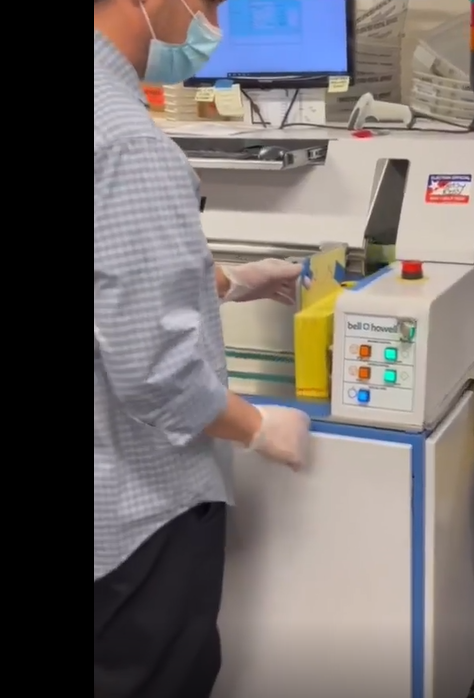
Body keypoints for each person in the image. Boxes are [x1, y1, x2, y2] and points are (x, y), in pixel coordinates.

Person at [94, 1, 313, 696]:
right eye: (211, 5)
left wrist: (229, 280)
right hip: (138, 515)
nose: (212, 23)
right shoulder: (128, 141)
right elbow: (154, 373)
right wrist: (258, 426)